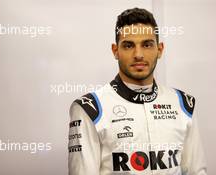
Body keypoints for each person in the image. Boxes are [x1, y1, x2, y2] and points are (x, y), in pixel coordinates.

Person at [68, 7, 207, 175]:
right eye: (128, 45)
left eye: (147, 44)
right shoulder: (89, 108)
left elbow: (197, 172)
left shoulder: (184, 103)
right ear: (115, 51)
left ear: (160, 49)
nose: (138, 54)